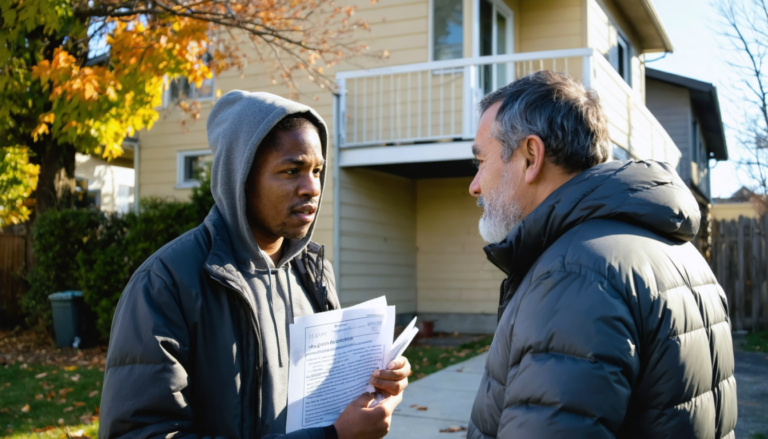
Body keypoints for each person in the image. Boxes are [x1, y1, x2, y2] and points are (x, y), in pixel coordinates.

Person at [99, 91, 410, 439]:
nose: (312, 188)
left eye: (317, 171)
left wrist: (374, 386)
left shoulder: (314, 274)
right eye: (292, 170)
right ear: (241, 177)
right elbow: (143, 433)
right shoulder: (165, 283)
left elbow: (328, 402)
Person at [467, 71, 737, 439]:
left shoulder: (573, 274)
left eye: (481, 162)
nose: (475, 186)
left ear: (531, 156)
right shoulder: (679, 250)